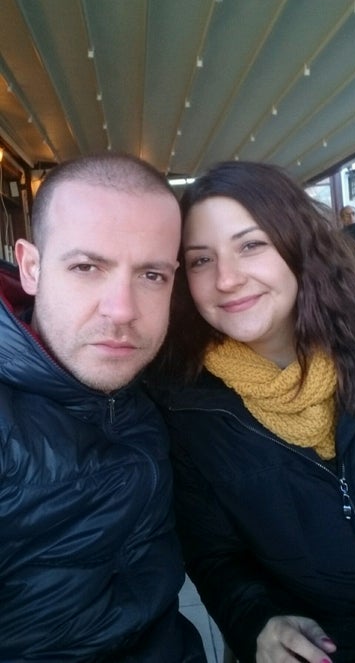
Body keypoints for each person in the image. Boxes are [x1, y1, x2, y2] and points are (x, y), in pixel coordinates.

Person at [149, 161, 355, 663]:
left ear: (299, 245)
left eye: (251, 245)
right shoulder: (186, 405)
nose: (226, 279)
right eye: (201, 260)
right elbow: (214, 554)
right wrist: (257, 621)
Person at [0, 153, 206, 662]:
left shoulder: (162, 385)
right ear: (31, 267)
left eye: (151, 275)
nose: (122, 311)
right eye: (87, 267)